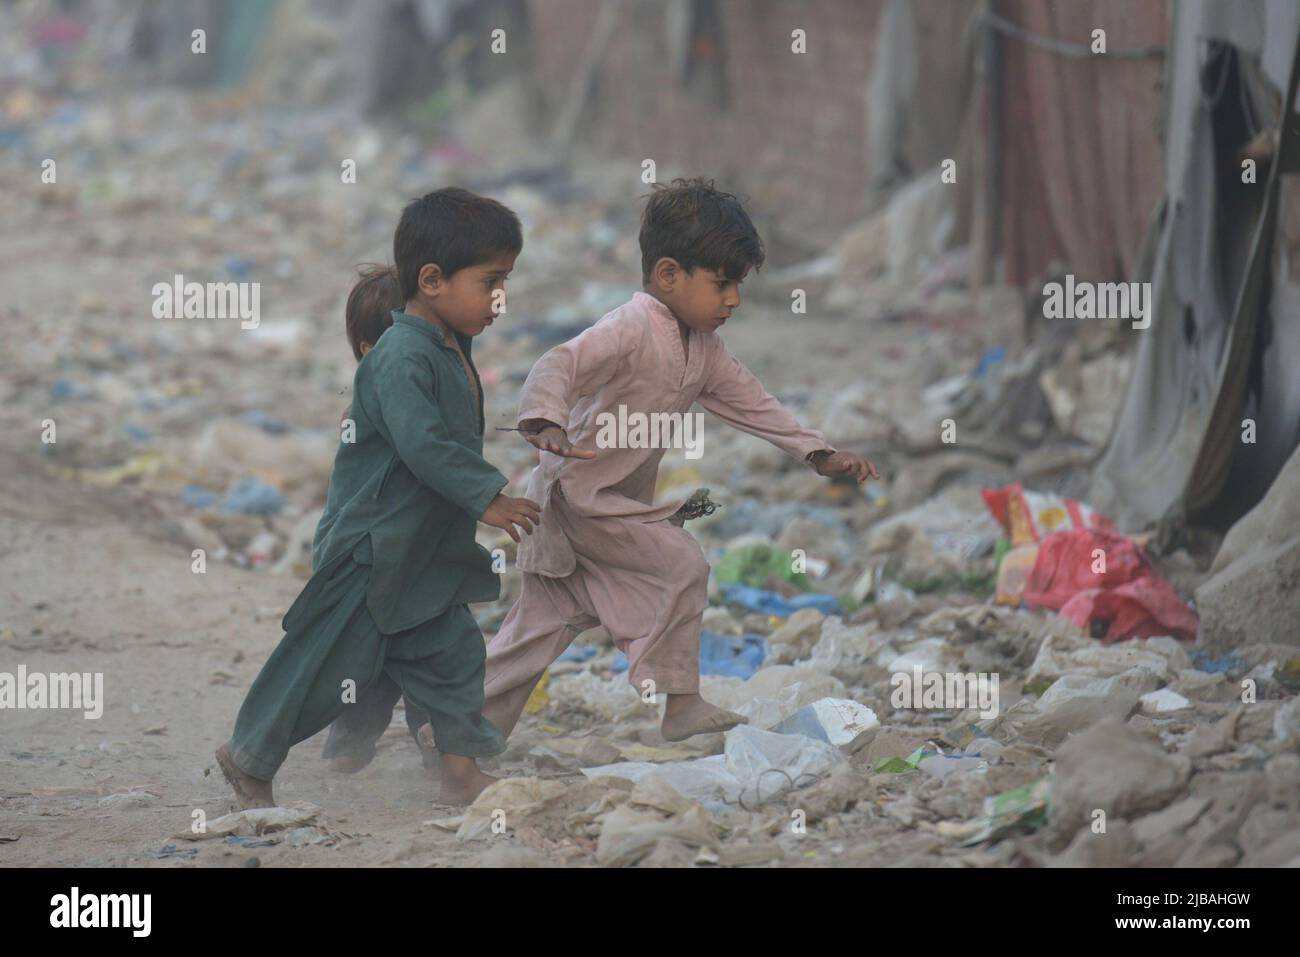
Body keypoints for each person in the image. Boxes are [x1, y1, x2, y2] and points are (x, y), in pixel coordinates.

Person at [480, 177, 879, 743]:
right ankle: (681, 702)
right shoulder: (629, 328)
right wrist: (545, 419)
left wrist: (816, 452)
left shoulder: (704, 349)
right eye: (721, 284)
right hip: (583, 501)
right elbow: (559, 363)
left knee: (541, 624)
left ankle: (461, 735)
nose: (733, 300)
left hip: (602, 508)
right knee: (680, 565)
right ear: (669, 274)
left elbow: (753, 403)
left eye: (736, 286)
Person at [215, 187, 541, 807]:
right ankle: (250, 756)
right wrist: (489, 498)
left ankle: (459, 772)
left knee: (454, 657)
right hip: (373, 551)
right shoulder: (400, 355)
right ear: (432, 280)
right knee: (323, 664)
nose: (501, 298)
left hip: (421, 554)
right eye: (491, 281)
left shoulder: (448, 347)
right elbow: (423, 445)